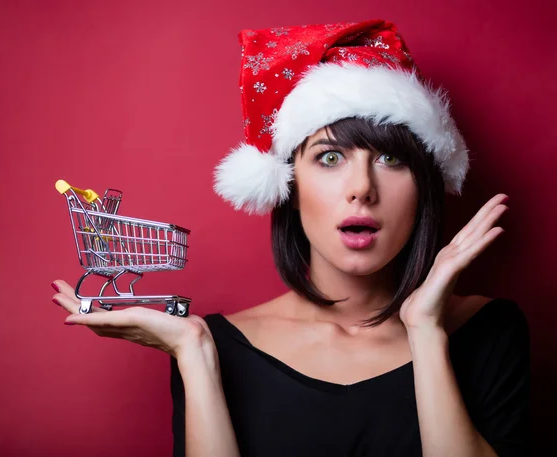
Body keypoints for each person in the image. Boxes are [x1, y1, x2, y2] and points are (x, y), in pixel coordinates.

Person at [52, 20, 531, 457]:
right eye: (329, 158)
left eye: (390, 159)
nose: (362, 188)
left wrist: (425, 332)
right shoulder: (215, 345)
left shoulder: (486, 331)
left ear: (423, 187)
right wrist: (194, 353)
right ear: (290, 188)